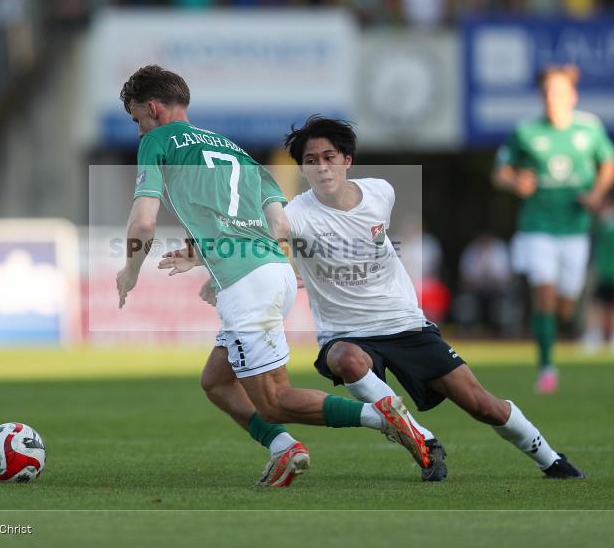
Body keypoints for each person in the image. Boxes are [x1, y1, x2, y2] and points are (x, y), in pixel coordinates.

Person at [164, 116, 586, 481]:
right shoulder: (295, 213)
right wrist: (201, 259)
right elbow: (253, 238)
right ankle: (419, 438)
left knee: (484, 406)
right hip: (345, 334)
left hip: (407, 325)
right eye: (311, 161)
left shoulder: (381, 192)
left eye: (329, 157)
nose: (321, 167)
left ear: (347, 160)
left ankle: (551, 460)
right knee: (347, 360)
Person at [115, 65, 432, 488]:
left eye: (137, 119)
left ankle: (382, 415)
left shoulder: (157, 142)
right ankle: (284, 448)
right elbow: (278, 226)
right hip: (274, 272)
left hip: (249, 286)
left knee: (275, 400)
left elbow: (143, 224)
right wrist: (220, 267)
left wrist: (130, 270)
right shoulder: (236, 151)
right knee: (216, 381)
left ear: (152, 108)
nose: (139, 130)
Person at [493, 65, 614, 394]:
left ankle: (555, 332)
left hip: (575, 229)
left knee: (565, 305)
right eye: (547, 91)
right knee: (543, 295)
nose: (553, 97)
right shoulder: (526, 131)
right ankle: (547, 368)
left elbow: (609, 163)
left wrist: (596, 194)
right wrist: (515, 181)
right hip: (537, 226)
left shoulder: (589, 128)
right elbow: (501, 171)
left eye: (559, 91)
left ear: (572, 95)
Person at [581, 195, 614, 356]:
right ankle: (602, 336)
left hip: (611, 271)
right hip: (603, 270)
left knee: (611, 306)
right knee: (600, 305)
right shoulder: (604, 225)